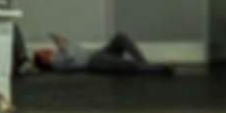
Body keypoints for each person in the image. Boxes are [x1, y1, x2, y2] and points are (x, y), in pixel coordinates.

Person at [34, 32, 174, 76]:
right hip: (94, 62)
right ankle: (159, 69)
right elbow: (71, 56)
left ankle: (144, 63)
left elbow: (75, 50)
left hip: (97, 55)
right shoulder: (56, 61)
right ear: (45, 60)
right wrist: (63, 44)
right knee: (127, 66)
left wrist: (63, 44)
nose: (47, 49)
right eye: (43, 52)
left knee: (120, 37)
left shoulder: (58, 54)